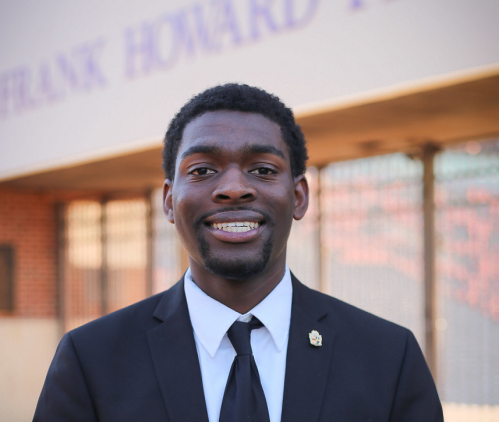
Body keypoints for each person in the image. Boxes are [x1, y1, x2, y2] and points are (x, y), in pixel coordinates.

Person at [34, 84, 443, 422]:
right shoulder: (91, 360)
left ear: (299, 196)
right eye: (202, 170)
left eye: (262, 169)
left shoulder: (388, 357)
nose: (233, 188)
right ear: (169, 200)